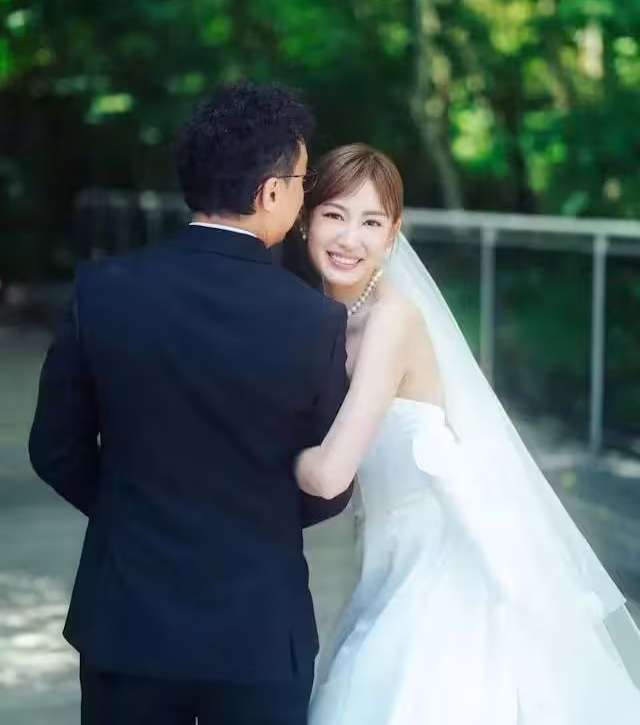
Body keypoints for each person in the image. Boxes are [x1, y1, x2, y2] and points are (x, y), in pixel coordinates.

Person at [28, 82, 352, 725]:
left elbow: (55, 448)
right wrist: (254, 517)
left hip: (127, 622)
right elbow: (330, 488)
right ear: (271, 193)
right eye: (302, 181)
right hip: (259, 631)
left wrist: (132, 509)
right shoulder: (314, 320)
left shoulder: (104, 289)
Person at [295, 143, 640, 724]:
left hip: (439, 559)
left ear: (393, 234)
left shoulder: (391, 322)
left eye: (372, 222)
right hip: (385, 555)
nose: (349, 238)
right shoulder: (329, 316)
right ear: (306, 218)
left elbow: (330, 472)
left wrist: (256, 452)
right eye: (335, 214)